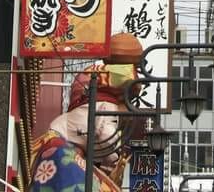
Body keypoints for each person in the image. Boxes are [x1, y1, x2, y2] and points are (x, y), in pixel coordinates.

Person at [27, 49, 147, 192]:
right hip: (60, 143)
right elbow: (106, 136)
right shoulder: (108, 108)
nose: (126, 120)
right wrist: (115, 160)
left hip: (63, 143)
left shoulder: (97, 104)